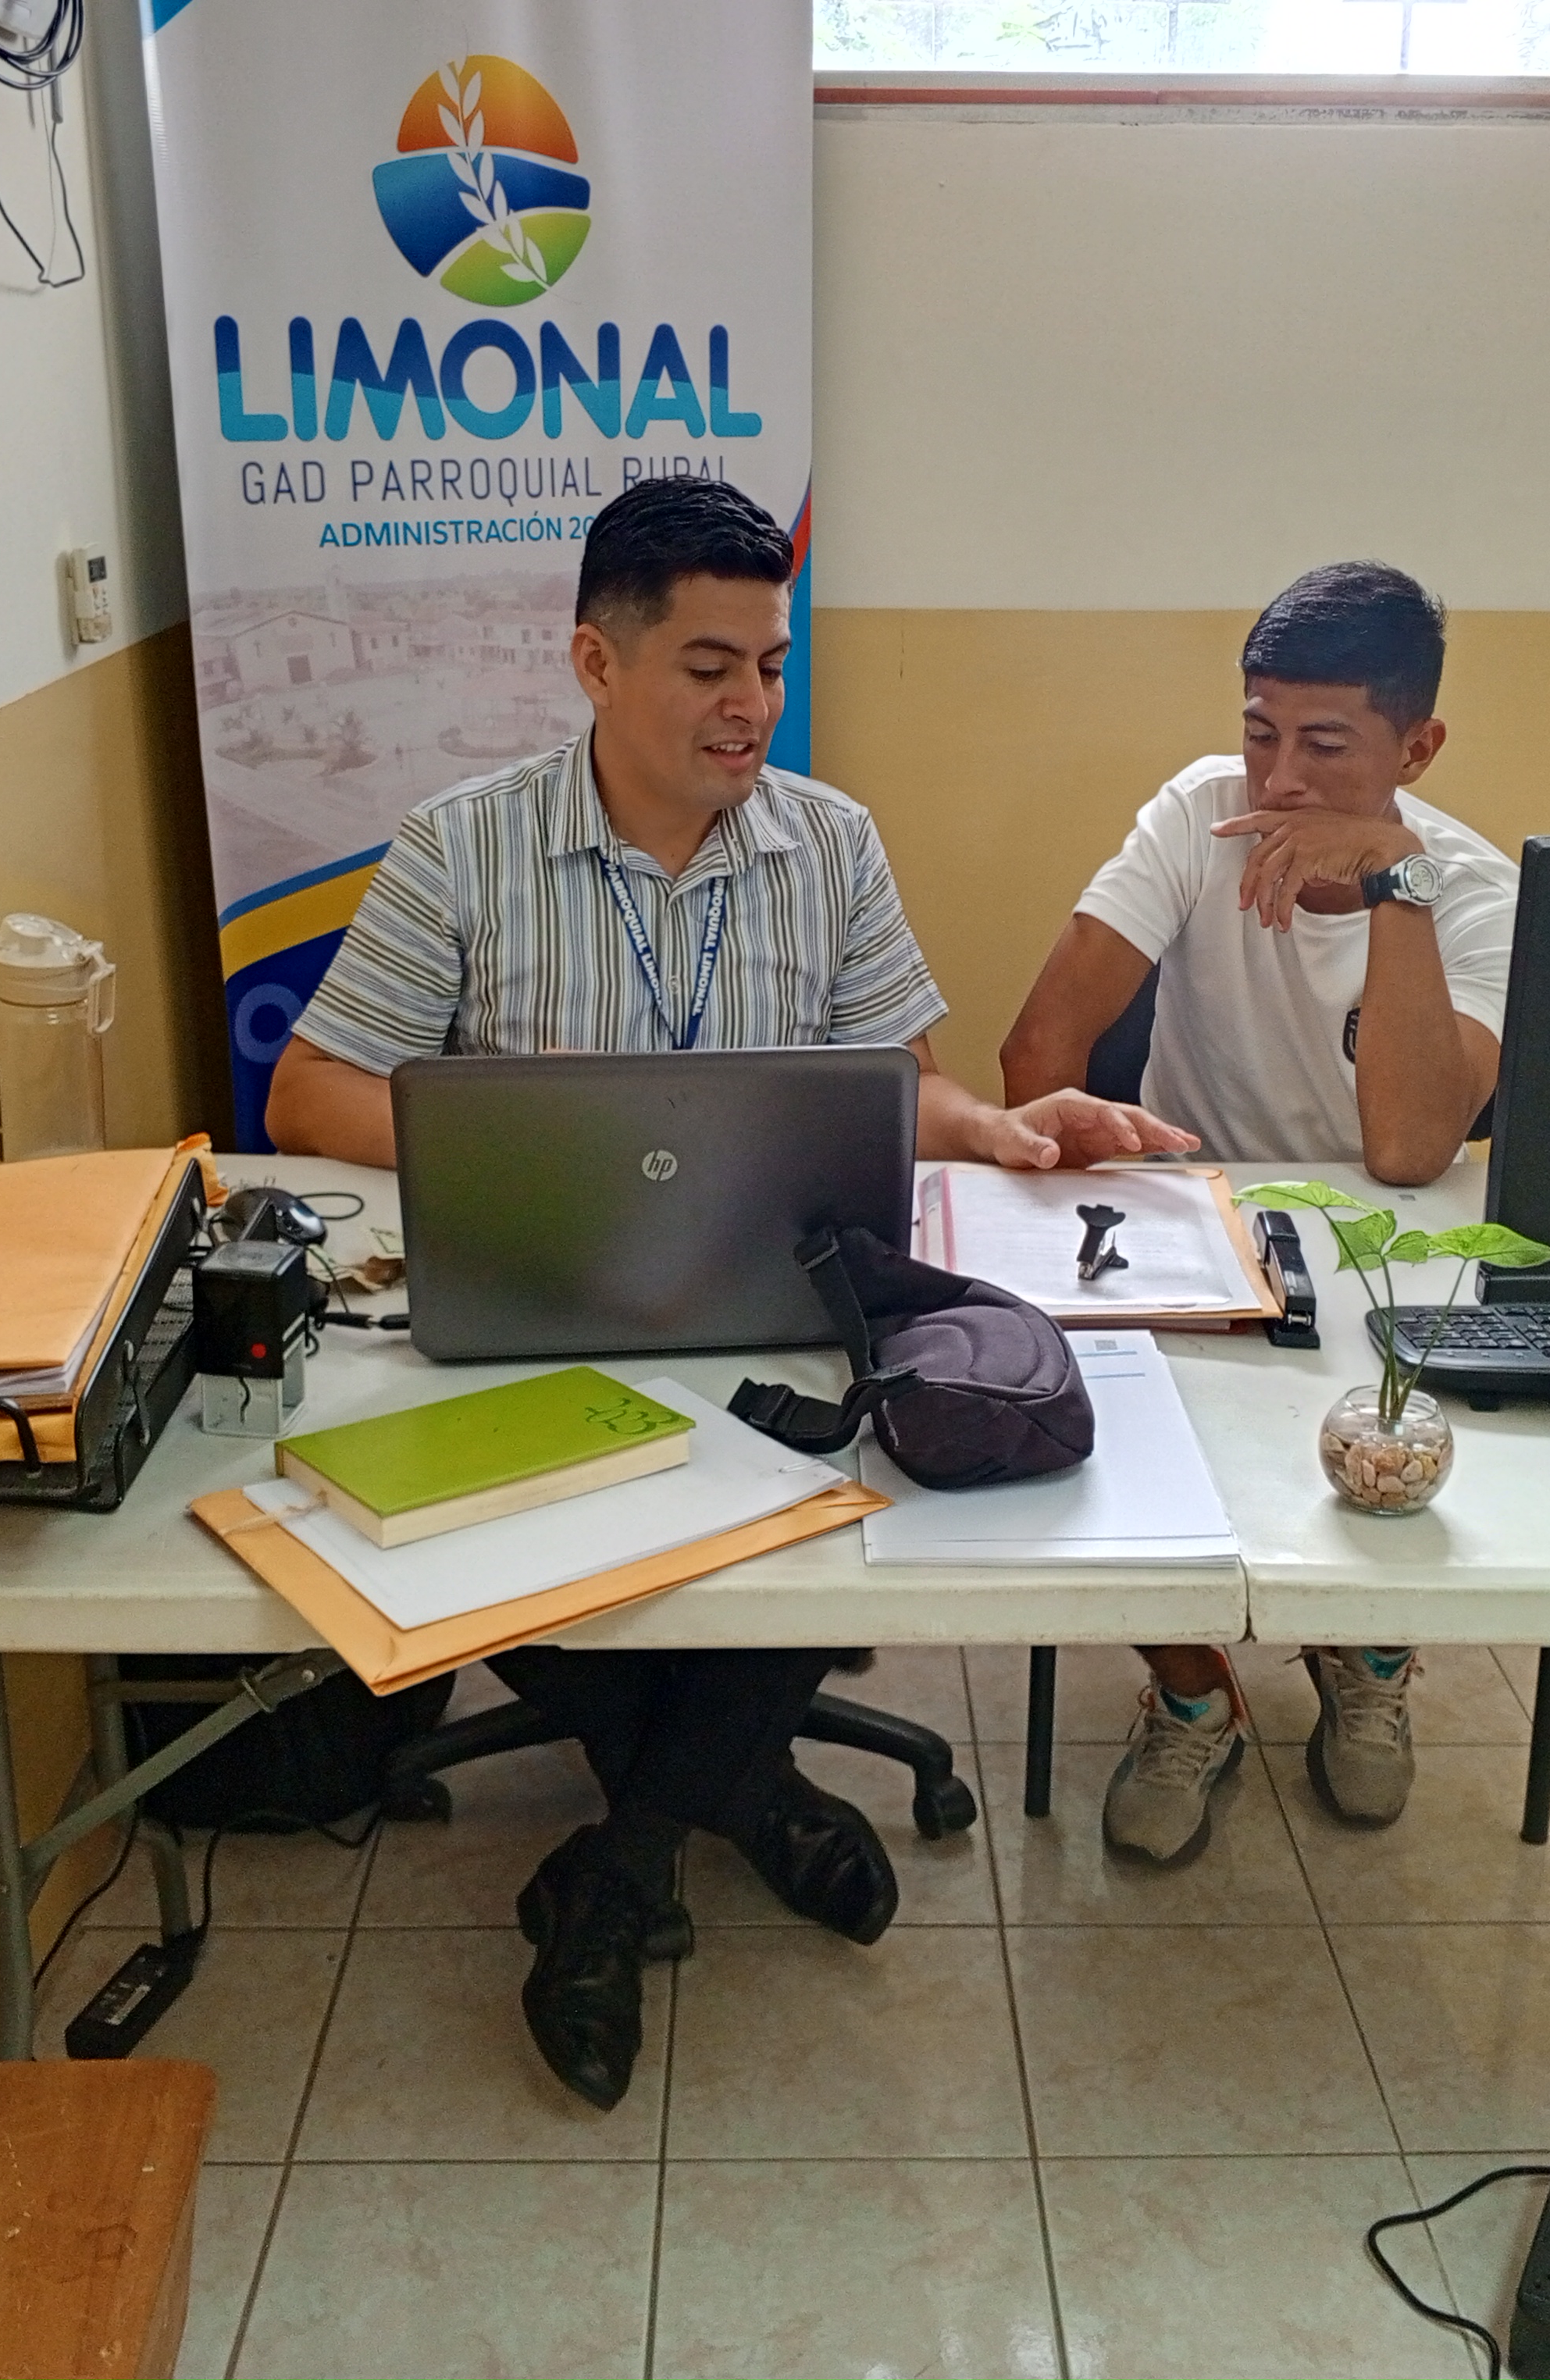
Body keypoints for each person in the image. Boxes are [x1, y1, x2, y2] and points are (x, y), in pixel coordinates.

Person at [268, 476, 1192, 2107]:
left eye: (768, 665)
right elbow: (311, 1094)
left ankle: (616, 1867)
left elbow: (895, 1084)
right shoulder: (463, 844)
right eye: (707, 667)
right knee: (489, 1529)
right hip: (539, 1301)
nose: (749, 705)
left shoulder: (828, 843)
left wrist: (994, 1127)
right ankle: (750, 1790)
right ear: (596, 662)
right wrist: (536, 1144)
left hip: (779, 1304)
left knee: (850, 1492)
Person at [998, 561, 1517, 1865]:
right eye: (1259, 731)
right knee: (1092, 1446)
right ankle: (1193, 1693)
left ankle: (1367, 1657)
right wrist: (1091, 1195)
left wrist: (1396, 888)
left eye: (1324, 745)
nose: (1278, 778)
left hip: (1383, 1249)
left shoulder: (1480, 893)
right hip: (1187, 1213)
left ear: (1418, 748)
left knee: (1401, 1437)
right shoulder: (1201, 814)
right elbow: (1038, 1050)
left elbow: (1408, 1150)